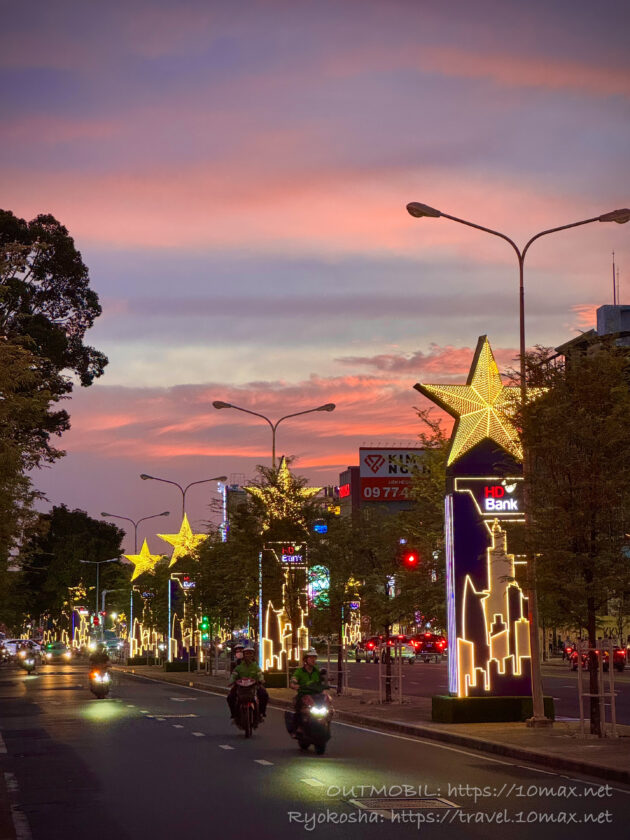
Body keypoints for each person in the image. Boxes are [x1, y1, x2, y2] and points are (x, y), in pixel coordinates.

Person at [289, 648, 328, 734]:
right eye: (311, 657)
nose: (313, 660)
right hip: (304, 695)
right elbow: (294, 679)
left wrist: (324, 687)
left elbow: (322, 680)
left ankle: (326, 723)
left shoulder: (317, 670)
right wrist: (294, 684)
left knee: (328, 705)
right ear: (306, 659)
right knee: (298, 706)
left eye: (315, 658)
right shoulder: (300, 671)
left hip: (315, 695)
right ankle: (298, 726)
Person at [227, 647, 268, 720]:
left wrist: (261, 680)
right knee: (230, 697)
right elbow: (234, 675)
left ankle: (262, 712)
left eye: (250, 653)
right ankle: (234, 713)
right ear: (244, 655)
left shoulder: (256, 667)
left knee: (264, 694)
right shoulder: (239, 667)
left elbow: (259, 674)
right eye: (246, 654)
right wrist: (231, 682)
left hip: (253, 687)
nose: (248, 655)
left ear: (253, 655)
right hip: (240, 687)